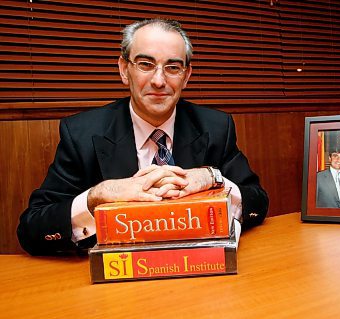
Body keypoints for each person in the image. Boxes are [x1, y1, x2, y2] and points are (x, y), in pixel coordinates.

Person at [17, 18, 269, 255]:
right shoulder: (82, 133)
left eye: (172, 67)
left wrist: (213, 178)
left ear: (186, 76)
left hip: (200, 270)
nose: (159, 81)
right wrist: (97, 196)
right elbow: (32, 228)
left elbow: (258, 201)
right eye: (146, 65)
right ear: (124, 70)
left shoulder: (216, 126)